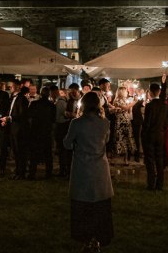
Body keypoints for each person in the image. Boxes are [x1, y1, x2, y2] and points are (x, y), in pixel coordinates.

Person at [64, 92, 113, 252]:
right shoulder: (105, 122)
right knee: (100, 206)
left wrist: (77, 145)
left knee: (83, 206)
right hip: (99, 168)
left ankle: (85, 239)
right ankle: (98, 239)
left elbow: (67, 143)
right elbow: (106, 141)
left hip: (82, 167)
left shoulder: (76, 123)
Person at [142, 74, 168, 191]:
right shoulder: (163, 104)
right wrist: (164, 82)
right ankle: (160, 184)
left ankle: (151, 184)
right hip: (160, 134)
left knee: (150, 160)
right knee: (159, 159)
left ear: (150, 93)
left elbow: (147, 122)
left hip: (150, 135)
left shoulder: (149, 106)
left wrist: (144, 134)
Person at [2, 81, 30, 180]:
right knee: (16, 151)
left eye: (12, 86)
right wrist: (6, 119)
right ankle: (18, 171)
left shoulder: (22, 99)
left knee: (20, 152)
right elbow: (11, 111)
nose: (10, 87)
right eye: (9, 86)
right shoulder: (12, 98)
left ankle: (21, 172)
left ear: (18, 86)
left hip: (20, 129)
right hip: (13, 128)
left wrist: (10, 118)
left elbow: (23, 115)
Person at [28, 86, 55, 179]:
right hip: (46, 131)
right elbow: (53, 119)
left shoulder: (34, 104)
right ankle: (49, 173)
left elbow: (29, 116)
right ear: (48, 94)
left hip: (36, 130)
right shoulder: (52, 105)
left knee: (34, 153)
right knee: (48, 154)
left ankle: (32, 173)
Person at [113, 86, 135, 165]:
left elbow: (128, 110)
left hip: (127, 121)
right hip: (120, 121)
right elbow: (125, 108)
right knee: (121, 139)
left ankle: (126, 159)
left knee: (127, 139)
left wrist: (130, 105)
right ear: (121, 92)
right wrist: (134, 102)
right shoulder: (117, 100)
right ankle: (118, 157)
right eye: (126, 91)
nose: (127, 93)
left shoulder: (126, 100)